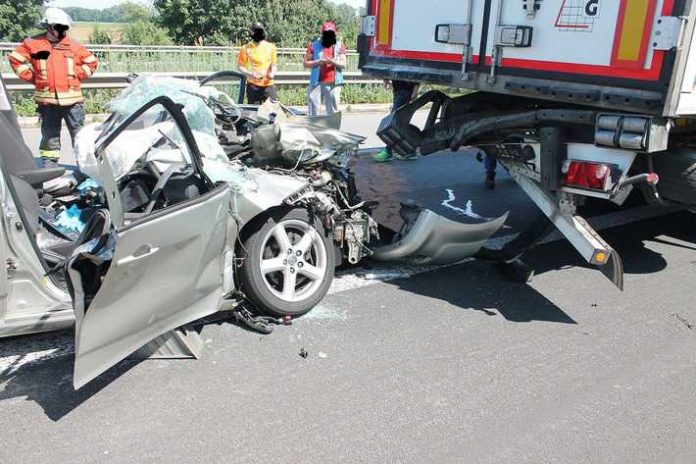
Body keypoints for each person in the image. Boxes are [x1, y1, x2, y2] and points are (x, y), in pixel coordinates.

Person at [8, 8, 99, 168]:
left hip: (73, 102)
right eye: (58, 27)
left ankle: (85, 165)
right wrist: (32, 77)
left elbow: (92, 62)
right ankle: (49, 165)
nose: (62, 31)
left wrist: (77, 74)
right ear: (48, 26)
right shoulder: (33, 44)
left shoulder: (73, 46)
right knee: (50, 135)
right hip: (47, 101)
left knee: (79, 135)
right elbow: (15, 60)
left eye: (64, 27)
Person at [304, 21, 346, 116]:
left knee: (332, 112)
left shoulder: (339, 46)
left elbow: (344, 64)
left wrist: (334, 62)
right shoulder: (314, 45)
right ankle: (314, 129)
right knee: (313, 112)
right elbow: (305, 63)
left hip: (333, 84)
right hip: (316, 83)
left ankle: (332, 130)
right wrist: (318, 62)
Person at [373, 79, 420, 162]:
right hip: (399, 90)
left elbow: (414, 71)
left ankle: (388, 151)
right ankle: (410, 151)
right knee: (400, 123)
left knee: (394, 122)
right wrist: (386, 79)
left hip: (405, 91)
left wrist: (415, 89)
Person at [237, 22, 278, 105]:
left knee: (274, 110)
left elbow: (274, 64)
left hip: (268, 84)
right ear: (252, 33)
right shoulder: (245, 48)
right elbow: (240, 66)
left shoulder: (271, 47)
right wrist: (248, 74)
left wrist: (272, 73)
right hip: (253, 85)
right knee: (253, 112)